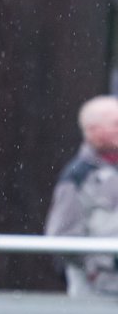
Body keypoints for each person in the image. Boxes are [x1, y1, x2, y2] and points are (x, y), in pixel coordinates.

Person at [45, 95, 118, 296]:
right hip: (98, 292)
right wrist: (103, 262)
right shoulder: (77, 177)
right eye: (115, 124)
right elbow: (61, 236)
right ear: (93, 131)